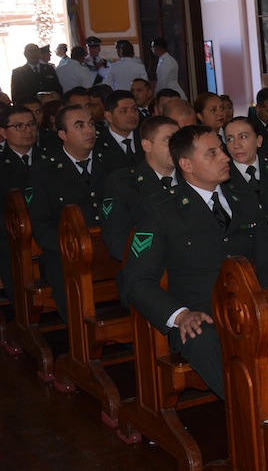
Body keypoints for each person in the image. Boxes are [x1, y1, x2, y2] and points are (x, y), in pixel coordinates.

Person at [122, 125, 268, 397]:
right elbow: (137, 281)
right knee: (202, 339)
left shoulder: (244, 198)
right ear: (186, 164)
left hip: (250, 308)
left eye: (221, 149)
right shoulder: (162, 209)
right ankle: (252, 412)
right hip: (202, 316)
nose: (224, 156)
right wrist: (180, 315)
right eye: (212, 153)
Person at [28, 105, 110, 319]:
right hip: (65, 252)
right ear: (63, 134)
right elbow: (40, 224)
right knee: (70, 290)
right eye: (79, 126)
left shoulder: (111, 162)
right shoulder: (44, 171)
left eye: (91, 124)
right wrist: (70, 247)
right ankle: (80, 335)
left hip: (109, 244)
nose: (89, 130)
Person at [101, 116, 180, 262]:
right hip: (149, 266)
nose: (176, 147)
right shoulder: (123, 183)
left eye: (179, 140)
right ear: (147, 146)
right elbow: (116, 239)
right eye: (168, 140)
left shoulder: (191, 177)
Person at [0, 104, 44, 306]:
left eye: (31, 124)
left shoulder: (50, 158)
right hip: (11, 234)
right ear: (3, 132)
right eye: (19, 126)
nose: (27, 130)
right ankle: (22, 309)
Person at [93, 89, 141, 173]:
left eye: (134, 109)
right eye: (124, 111)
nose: (132, 115)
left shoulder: (145, 137)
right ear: (108, 116)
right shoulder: (98, 145)